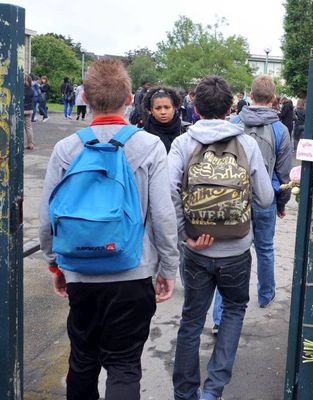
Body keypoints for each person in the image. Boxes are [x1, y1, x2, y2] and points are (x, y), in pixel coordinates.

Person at [38, 59, 180, 400]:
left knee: (82, 361)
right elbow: (163, 215)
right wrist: (168, 268)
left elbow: (47, 219)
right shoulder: (148, 147)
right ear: (130, 98)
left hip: (81, 274)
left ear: (84, 96)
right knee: (124, 365)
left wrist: (55, 263)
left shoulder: (66, 149)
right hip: (133, 271)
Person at [169, 75, 273, 400]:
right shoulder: (247, 144)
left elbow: (167, 191)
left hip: (197, 249)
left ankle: (185, 393)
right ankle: (212, 390)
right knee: (233, 310)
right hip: (237, 250)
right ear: (231, 108)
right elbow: (266, 199)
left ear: (195, 108)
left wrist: (186, 234)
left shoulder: (184, 143)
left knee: (191, 318)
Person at [210, 75, 292, 334]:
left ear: (251, 95)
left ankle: (219, 316)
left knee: (228, 252)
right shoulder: (280, 130)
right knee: (265, 249)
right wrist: (281, 202)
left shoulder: (233, 123)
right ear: (273, 97)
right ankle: (266, 294)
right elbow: (284, 172)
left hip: (233, 197)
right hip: (264, 197)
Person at [142, 86, 185, 153]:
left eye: (167, 107)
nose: (163, 112)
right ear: (151, 110)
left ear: (174, 108)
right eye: (158, 108)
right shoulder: (143, 135)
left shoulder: (185, 131)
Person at [24, 74, 34, 149]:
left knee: (19, 127)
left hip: (22, 109)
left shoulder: (21, 89)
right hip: (29, 109)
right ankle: (30, 144)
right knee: (28, 127)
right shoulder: (31, 90)